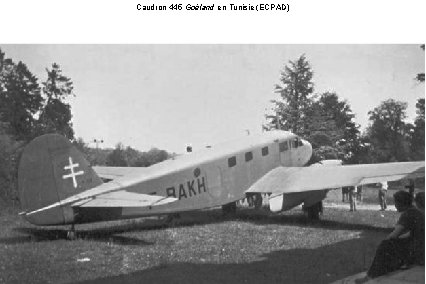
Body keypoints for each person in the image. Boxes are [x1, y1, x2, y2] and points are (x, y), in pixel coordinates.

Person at [356, 191, 424, 283]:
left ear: (400, 203)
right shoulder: (415, 211)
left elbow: (394, 235)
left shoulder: (408, 214)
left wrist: (384, 243)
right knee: (398, 243)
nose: (395, 205)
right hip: (421, 246)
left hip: (419, 249)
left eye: (395, 202)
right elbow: (414, 233)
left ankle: (370, 276)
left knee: (386, 245)